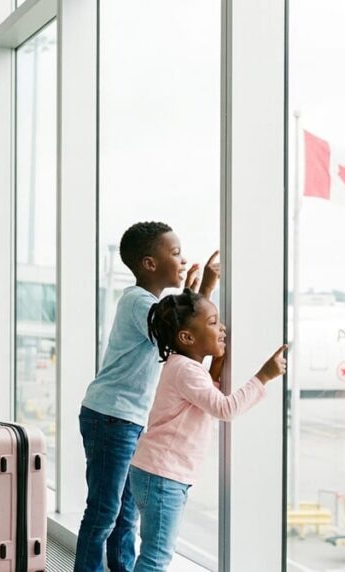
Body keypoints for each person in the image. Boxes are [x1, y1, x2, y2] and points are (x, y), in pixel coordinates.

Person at [74, 222, 217, 572]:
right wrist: (206, 288)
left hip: (128, 419)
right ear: (150, 264)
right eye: (176, 253)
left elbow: (182, 325)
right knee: (105, 510)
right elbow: (180, 334)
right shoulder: (139, 302)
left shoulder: (149, 303)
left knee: (125, 512)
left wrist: (194, 292)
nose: (182, 259)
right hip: (111, 417)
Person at [129, 289, 286, 570]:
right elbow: (225, 409)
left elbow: (198, 401)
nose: (222, 327)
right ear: (187, 337)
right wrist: (264, 376)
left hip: (155, 472)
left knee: (154, 552)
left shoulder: (183, 367)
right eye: (213, 322)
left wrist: (214, 370)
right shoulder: (186, 370)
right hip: (162, 476)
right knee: (155, 558)